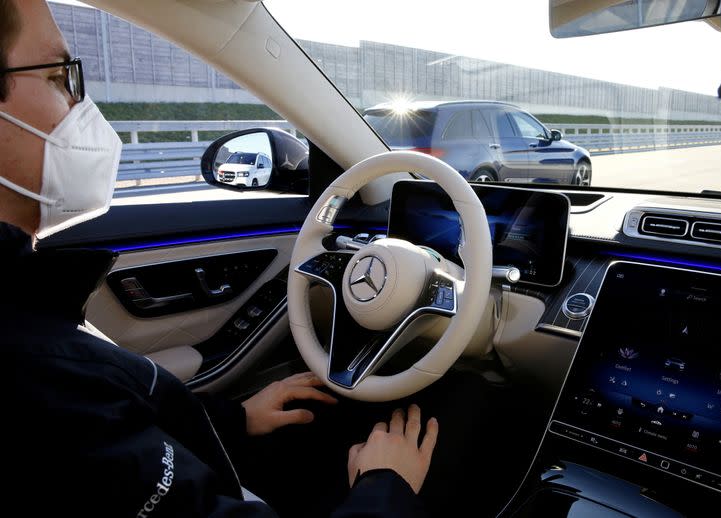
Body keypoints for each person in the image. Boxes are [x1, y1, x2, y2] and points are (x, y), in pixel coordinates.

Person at [0, 1, 439, 516]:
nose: (82, 105)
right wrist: (385, 485)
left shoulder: (29, 325)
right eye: (59, 76)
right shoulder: (35, 374)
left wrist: (229, 420)